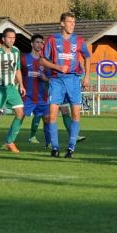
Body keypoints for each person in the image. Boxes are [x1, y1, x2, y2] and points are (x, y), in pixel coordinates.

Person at [40, 12, 91, 158]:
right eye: (69, 22)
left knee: (75, 114)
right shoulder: (52, 40)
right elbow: (42, 61)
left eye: (74, 22)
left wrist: (87, 76)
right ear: (62, 23)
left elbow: (87, 57)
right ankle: (55, 148)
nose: (72, 25)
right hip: (56, 81)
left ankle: (71, 149)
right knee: (53, 115)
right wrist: (56, 67)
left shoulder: (79, 40)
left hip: (74, 80)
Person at [0, 28, 26, 153]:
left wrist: (22, 85)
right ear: (3, 38)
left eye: (14, 38)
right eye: (9, 37)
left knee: (21, 113)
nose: (12, 40)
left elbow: (18, 69)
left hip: (12, 88)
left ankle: (10, 142)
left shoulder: (16, 51)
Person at [21, 34, 51, 145]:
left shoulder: (46, 61)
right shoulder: (23, 59)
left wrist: (45, 78)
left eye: (41, 43)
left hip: (42, 97)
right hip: (27, 96)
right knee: (19, 117)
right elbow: (17, 74)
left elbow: (50, 79)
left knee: (47, 119)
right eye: (37, 42)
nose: (40, 45)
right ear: (32, 44)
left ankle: (49, 143)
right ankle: (9, 142)